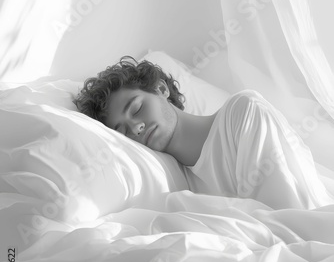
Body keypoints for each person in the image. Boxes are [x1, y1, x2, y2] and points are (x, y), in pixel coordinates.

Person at [74, 56, 332, 209]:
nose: (136, 128)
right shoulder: (174, 183)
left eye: (138, 108)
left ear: (161, 89)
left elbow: (289, 211)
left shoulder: (242, 114)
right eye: (123, 131)